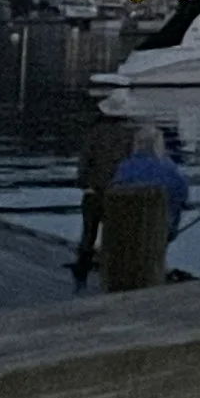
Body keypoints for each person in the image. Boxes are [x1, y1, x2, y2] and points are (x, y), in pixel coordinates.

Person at [72, 105, 137, 286]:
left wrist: (84, 184)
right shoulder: (129, 135)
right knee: (116, 235)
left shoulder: (94, 133)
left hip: (94, 190)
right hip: (117, 192)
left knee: (88, 234)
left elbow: (84, 162)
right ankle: (115, 274)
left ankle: (81, 277)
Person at [109, 121, 190, 239]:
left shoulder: (125, 168)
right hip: (161, 226)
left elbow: (114, 193)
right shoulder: (169, 169)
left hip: (129, 226)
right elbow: (182, 194)